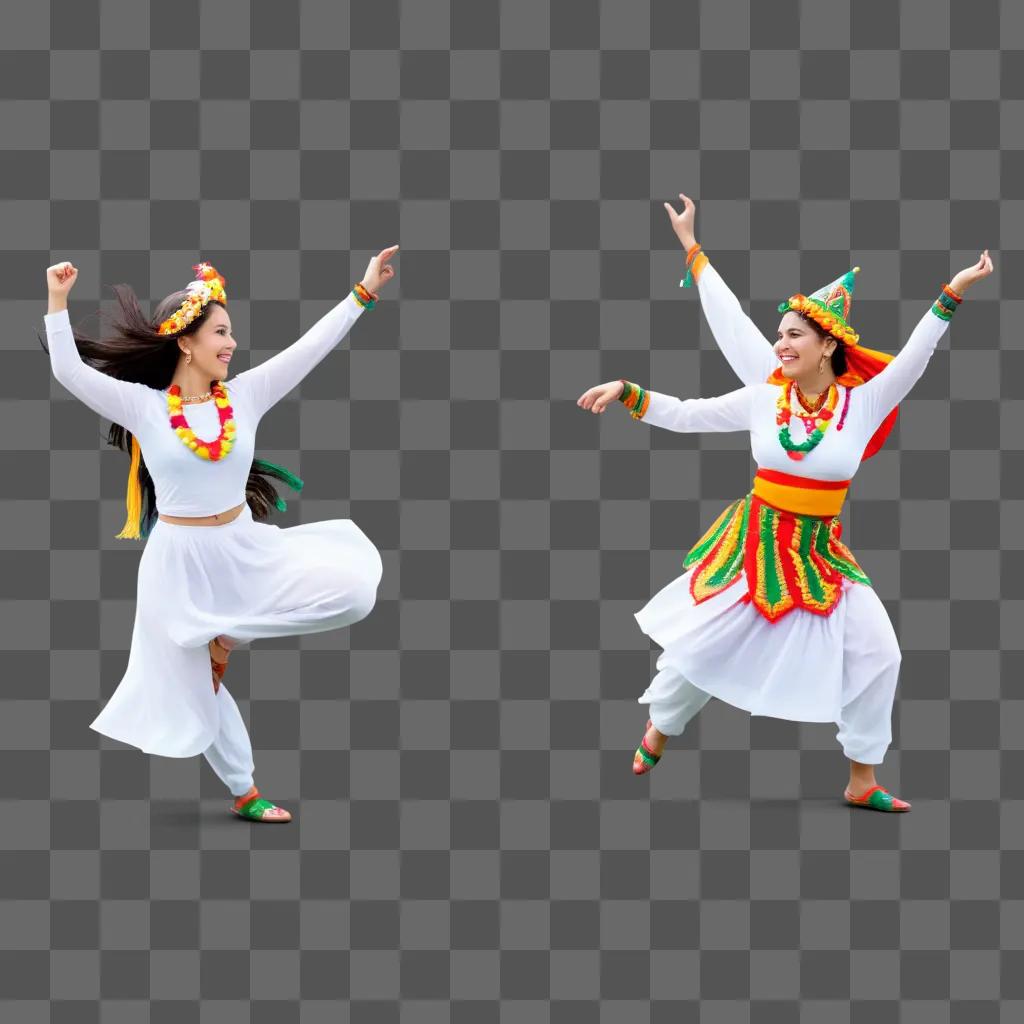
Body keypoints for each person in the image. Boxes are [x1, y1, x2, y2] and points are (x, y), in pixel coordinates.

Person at [578, 192, 994, 812]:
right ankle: (659, 728)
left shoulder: (864, 405)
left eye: (794, 335)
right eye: (779, 335)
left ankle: (861, 780)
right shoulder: (764, 398)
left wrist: (952, 292)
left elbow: (915, 357)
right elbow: (697, 396)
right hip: (754, 544)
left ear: (827, 346)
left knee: (880, 651)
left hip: (819, 552)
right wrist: (632, 387)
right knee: (702, 647)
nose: (780, 344)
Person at [42, 248, 398, 822]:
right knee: (194, 688)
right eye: (221, 332)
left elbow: (309, 350)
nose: (232, 344)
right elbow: (69, 372)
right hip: (177, 563)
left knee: (356, 594)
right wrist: (57, 303)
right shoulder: (145, 406)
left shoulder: (245, 397)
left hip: (244, 548)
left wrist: (362, 293)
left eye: (231, 333)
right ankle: (245, 792)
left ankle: (226, 636)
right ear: (186, 341)